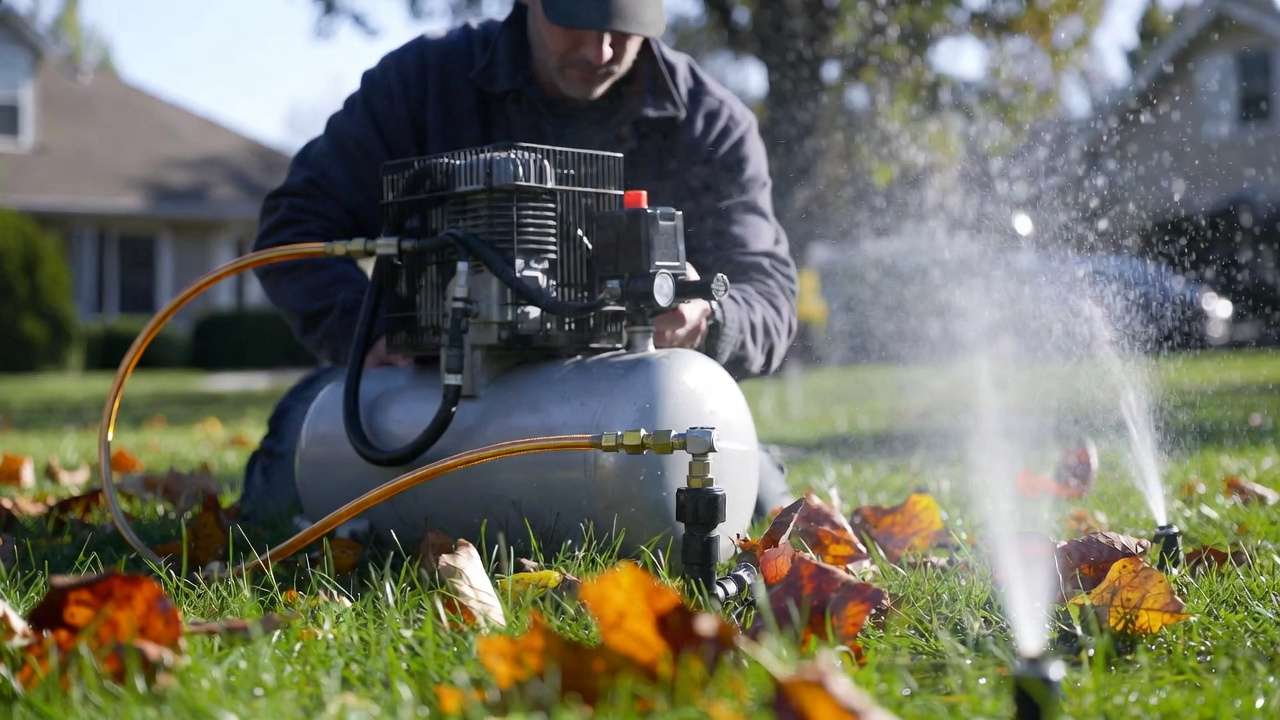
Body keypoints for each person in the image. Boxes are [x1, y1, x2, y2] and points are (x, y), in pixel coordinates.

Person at [240, 0, 798, 522]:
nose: (599, 51)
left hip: (624, 397)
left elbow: (768, 293)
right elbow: (293, 227)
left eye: (623, 26)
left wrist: (706, 318)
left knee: (758, 506)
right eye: (575, 18)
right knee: (283, 494)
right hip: (430, 386)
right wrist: (371, 329)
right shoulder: (424, 84)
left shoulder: (710, 123)